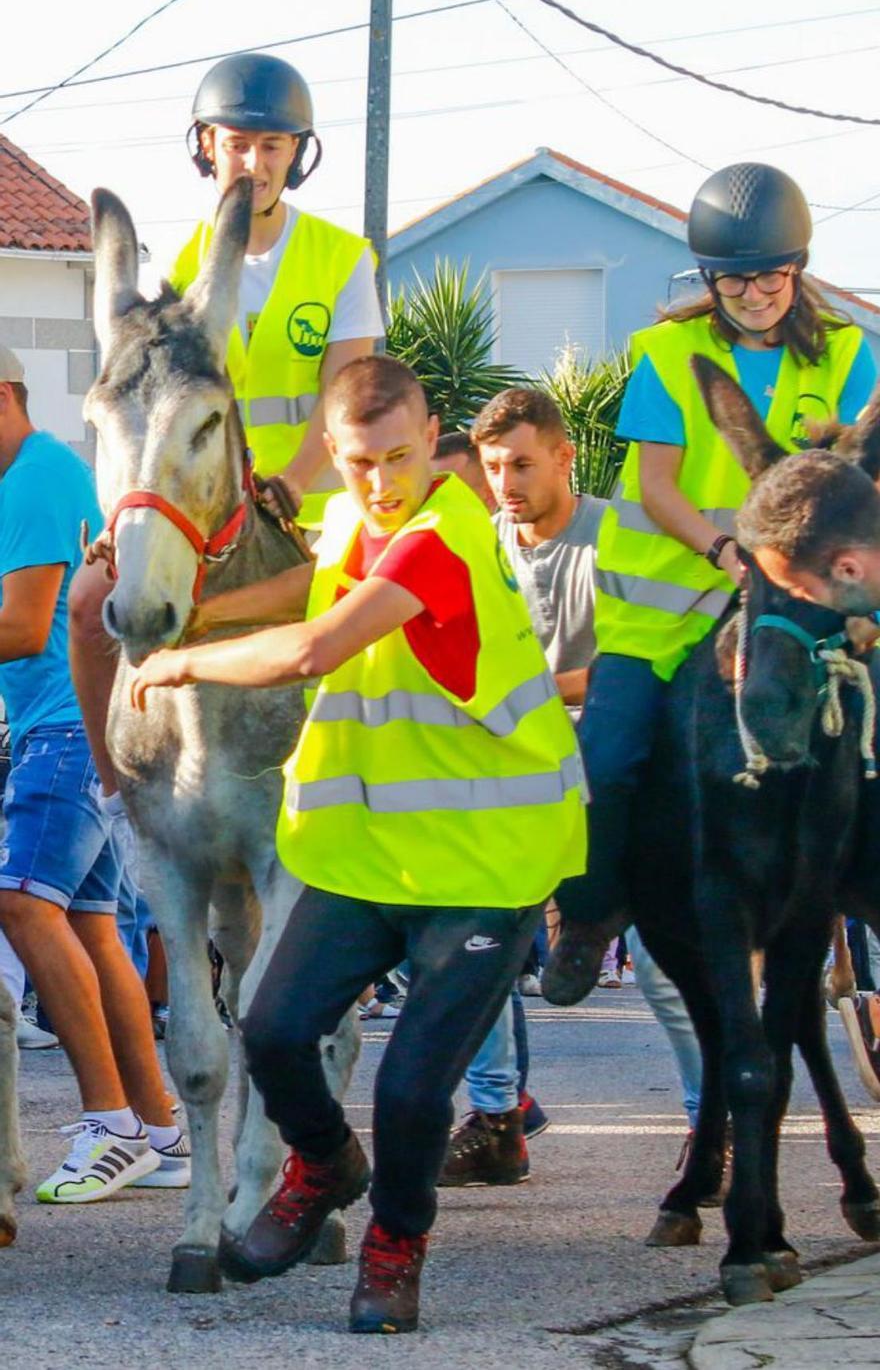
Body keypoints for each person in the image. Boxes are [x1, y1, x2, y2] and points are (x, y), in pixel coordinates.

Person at [130, 356, 586, 1335]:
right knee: (276, 1031)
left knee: (414, 1086)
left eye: (400, 456)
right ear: (332, 456)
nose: (383, 481)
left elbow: (313, 645)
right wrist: (205, 603)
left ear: (433, 443)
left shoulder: (439, 539)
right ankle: (326, 1163)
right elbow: (311, 579)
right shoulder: (350, 520)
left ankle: (393, 1249)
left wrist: (181, 656)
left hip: (484, 864)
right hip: (371, 854)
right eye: (361, 461)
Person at [542, 161, 878, 1006]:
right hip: (665, 617)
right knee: (609, 759)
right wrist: (729, 551)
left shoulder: (848, 357)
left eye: (769, 274)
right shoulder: (666, 353)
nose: (754, 291)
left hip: (805, 611)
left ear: (795, 270)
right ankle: (586, 918)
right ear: (711, 279)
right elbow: (657, 488)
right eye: (735, 277)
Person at [67, 49, 380, 814]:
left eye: (271, 146)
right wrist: (124, 516)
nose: (253, 161)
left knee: (369, 621)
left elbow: (345, 395)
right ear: (207, 147)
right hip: (193, 505)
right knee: (86, 603)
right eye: (237, 143)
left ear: (297, 156)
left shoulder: (342, 260)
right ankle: (120, 792)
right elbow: (145, 411)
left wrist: (297, 480)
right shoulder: (179, 265)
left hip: (309, 501)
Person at [0, 352, 187, 1200]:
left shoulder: (34, 479)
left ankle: (110, 1125)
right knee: (90, 923)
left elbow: (24, 625)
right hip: (81, 722)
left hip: (67, 725)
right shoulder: (35, 474)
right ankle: (157, 1128)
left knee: (21, 901)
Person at [437, 391, 602, 1187]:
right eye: (495, 466)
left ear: (565, 457)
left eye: (522, 464)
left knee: (676, 972)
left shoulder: (614, 538)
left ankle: (719, 1125)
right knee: (470, 939)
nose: (506, 481)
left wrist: (534, 690)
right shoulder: (480, 543)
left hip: (602, 760)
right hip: (503, 773)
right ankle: (499, 1116)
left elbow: (628, 667)